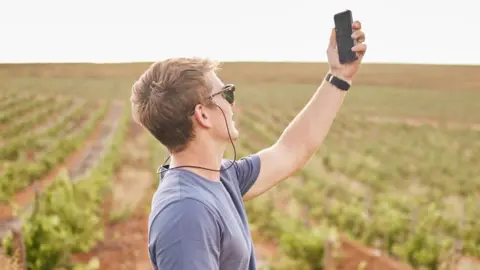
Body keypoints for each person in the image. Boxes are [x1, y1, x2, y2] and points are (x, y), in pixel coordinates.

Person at [130, 20, 366, 270]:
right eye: (226, 94)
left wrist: (339, 75)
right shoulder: (186, 213)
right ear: (203, 115)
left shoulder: (220, 177)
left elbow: (291, 150)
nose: (232, 104)